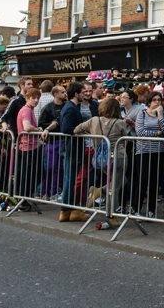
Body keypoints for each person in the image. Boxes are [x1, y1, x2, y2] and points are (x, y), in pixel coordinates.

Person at [132, 90, 164, 217]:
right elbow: (140, 132)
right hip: (144, 151)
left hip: (160, 151)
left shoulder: (162, 114)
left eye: (159, 100)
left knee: (155, 182)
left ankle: (151, 210)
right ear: (149, 102)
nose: (157, 102)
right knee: (142, 181)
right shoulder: (142, 114)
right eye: (154, 100)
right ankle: (136, 208)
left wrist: (160, 116)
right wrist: (156, 134)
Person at [57, 82, 90, 223]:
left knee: (70, 178)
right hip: (72, 148)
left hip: (74, 147)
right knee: (70, 179)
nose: (84, 95)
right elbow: (66, 129)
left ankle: (68, 211)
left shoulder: (71, 107)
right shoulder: (71, 108)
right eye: (82, 92)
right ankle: (67, 210)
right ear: (76, 94)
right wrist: (81, 130)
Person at [15, 88, 43, 205]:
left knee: (29, 175)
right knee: (28, 175)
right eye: (33, 98)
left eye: (38, 98)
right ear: (27, 98)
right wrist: (38, 129)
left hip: (29, 146)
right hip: (28, 148)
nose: (36, 100)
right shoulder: (26, 110)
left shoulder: (28, 109)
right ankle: (23, 200)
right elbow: (26, 127)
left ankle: (24, 199)